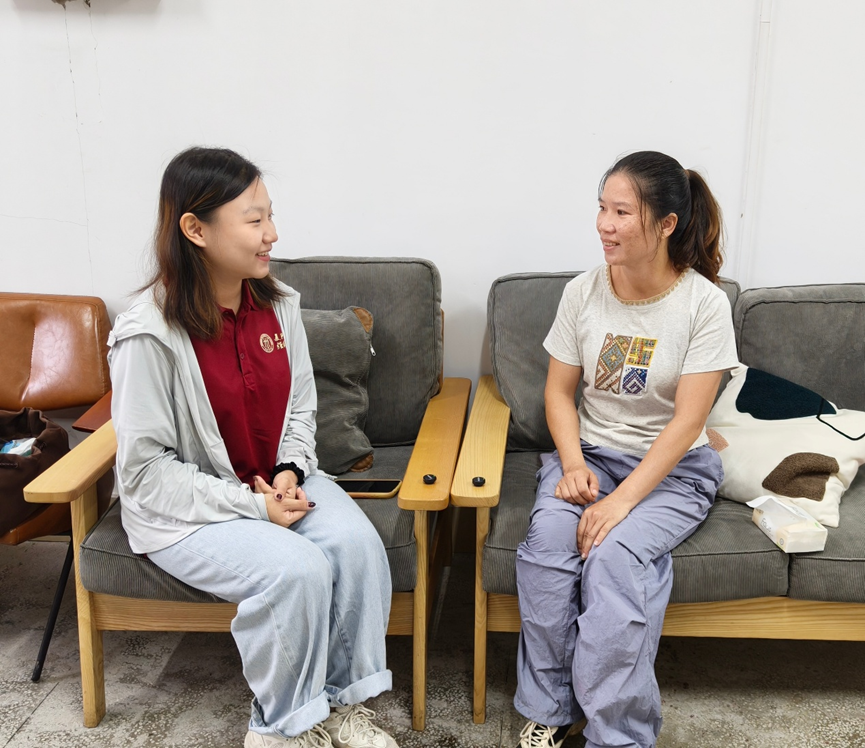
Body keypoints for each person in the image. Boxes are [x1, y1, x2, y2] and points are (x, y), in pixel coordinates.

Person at [108, 147, 397, 748]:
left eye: (270, 216)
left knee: (358, 548)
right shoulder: (147, 334)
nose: (272, 234)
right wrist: (253, 507)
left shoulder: (279, 304)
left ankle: (340, 705)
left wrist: (290, 469)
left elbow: (301, 408)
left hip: (276, 481)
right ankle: (282, 730)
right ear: (195, 229)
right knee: (296, 571)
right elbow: (145, 475)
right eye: (254, 219)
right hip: (186, 511)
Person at [514, 151, 739, 748]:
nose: (604, 225)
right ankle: (551, 710)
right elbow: (558, 393)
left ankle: (619, 735)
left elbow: (688, 422)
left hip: (673, 471)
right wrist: (572, 465)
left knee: (615, 560)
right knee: (546, 552)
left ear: (666, 224)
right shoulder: (583, 291)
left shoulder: (703, 305)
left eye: (621, 213)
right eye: (602, 209)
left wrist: (620, 504)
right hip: (590, 457)